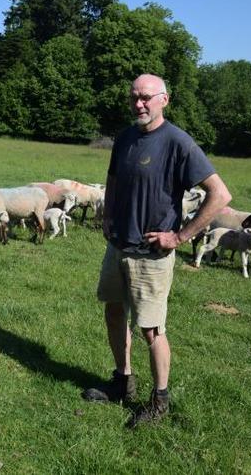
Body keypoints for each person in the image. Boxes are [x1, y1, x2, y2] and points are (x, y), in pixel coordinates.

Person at [84, 74, 231, 427]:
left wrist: (179, 238)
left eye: (146, 97)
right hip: (118, 245)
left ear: (164, 100)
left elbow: (220, 195)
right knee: (114, 312)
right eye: (134, 97)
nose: (139, 104)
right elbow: (115, 178)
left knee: (151, 330)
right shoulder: (125, 137)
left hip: (151, 254)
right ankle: (122, 382)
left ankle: (160, 400)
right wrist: (107, 217)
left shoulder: (178, 142)